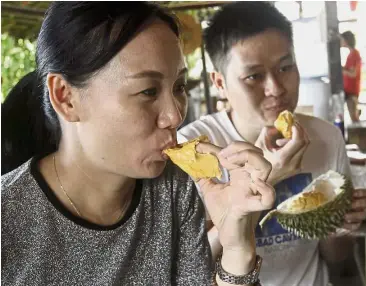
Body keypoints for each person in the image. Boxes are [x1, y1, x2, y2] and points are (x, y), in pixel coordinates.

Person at [2, 2, 276, 286]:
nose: (175, 116)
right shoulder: (8, 220)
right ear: (66, 98)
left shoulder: (174, 191)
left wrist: (237, 247)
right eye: (147, 91)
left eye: (179, 87)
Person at [178, 2, 366, 286]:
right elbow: (186, 268)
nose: (276, 88)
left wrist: (341, 227)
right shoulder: (195, 147)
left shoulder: (327, 137)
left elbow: (335, 258)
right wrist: (270, 176)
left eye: (285, 67)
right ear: (220, 83)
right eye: (253, 76)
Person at [340, 30, 362, 122]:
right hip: (348, 89)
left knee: (354, 118)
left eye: (342, 40)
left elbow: (353, 74)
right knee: (353, 116)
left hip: (352, 90)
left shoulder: (355, 54)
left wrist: (342, 70)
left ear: (346, 40)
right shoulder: (350, 54)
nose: (340, 42)